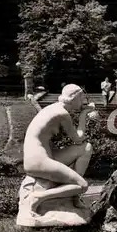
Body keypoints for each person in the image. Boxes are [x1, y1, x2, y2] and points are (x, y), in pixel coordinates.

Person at [23, 84, 95, 213]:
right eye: (82, 98)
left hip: (44, 156)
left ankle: (73, 194)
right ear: (75, 98)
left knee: (86, 148)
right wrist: (84, 114)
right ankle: (39, 197)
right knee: (82, 185)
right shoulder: (62, 114)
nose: (83, 102)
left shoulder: (54, 108)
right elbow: (78, 138)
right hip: (37, 161)